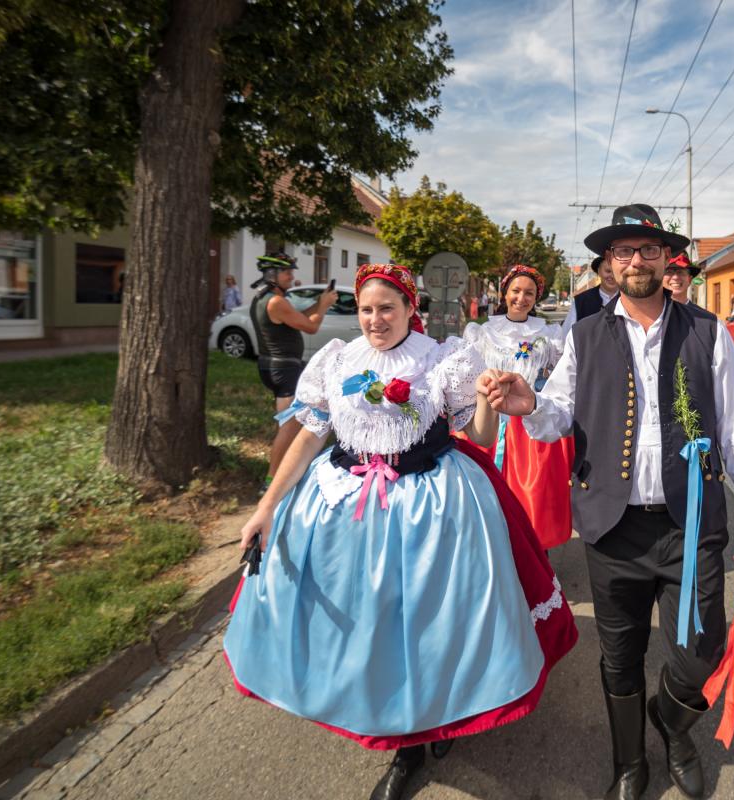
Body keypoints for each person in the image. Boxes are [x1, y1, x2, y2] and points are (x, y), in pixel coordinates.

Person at [225, 263, 577, 800]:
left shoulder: (443, 359)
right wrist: (267, 506)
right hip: (348, 509)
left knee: (430, 625)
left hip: (429, 508)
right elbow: (309, 438)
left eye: (387, 308)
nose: (375, 319)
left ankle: (426, 726)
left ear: (411, 308)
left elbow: (480, 437)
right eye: (367, 309)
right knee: (371, 626)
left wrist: (487, 398)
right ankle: (397, 729)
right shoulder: (338, 359)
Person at [486, 203, 734, 800]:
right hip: (612, 527)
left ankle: (671, 724)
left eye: (649, 249)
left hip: (689, 524)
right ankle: (628, 762)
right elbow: (559, 412)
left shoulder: (705, 331)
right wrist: (529, 406)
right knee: (621, 655)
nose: (636, 260)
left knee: (700, 654)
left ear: (667, 259)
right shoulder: (584, 335)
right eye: (624, 251)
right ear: (609, 263)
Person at [462, 265, 574, 550]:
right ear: (505, 293)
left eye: (529, 293)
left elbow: (559, 376)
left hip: (528, 424)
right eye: (516, 291)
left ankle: (533, 556)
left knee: (532, 498)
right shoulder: (482, 332)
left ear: (536, 297)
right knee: (487, 496)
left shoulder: (548, 333)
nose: (521, 298)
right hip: (488, 421)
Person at [249, 253, 337, 493]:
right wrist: (324, 305)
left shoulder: (266, 298)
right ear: (272, 275)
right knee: (288, 427)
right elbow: (311, 326)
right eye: (287, 272)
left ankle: (285, 473)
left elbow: (300, 317)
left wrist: (319, 301)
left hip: (277, 367)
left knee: (289, 424)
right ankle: (271, 482)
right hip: (283, 369)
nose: (291, 276)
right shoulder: (276, 302)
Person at [561, 254, 619, 337]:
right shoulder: (581, 301)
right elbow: (566, 335)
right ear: (599, 272)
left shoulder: (631, 300)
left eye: (616, 271)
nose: (612, 276)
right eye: (608, 271)